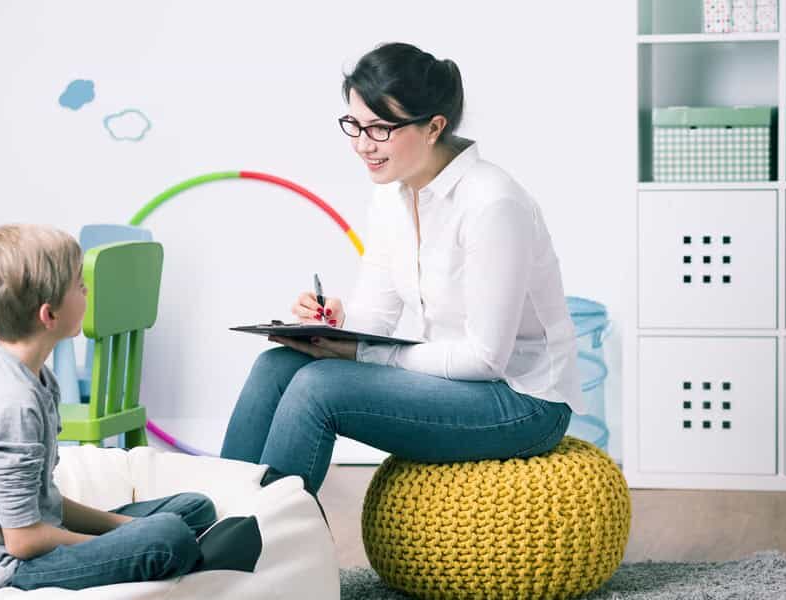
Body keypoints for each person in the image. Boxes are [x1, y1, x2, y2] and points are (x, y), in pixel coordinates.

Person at [221, 42, 581, 495]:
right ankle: (217, 516)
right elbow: (376, 318)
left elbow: (486, 359)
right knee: (276, 365)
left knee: (318, 386)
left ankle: (266, 531)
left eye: (380, 128)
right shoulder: (391, 196)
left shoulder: (492, 203)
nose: (362, 144)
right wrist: (332, 325)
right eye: (354, 125)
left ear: (433, 127)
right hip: (451, 380)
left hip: (522, 401)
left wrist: (359, 354)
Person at [0, 224, 218, 596]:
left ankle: (157, 538)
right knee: (169, 538)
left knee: (195, 508)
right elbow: (23, 540)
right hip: (2, 566)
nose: (87, 291)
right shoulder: (11, 405)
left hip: (34, 531)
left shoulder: (32, 374)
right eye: (79, 285)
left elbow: (45, 501)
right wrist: (122, 540)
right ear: (48, 314)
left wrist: (124, 528)